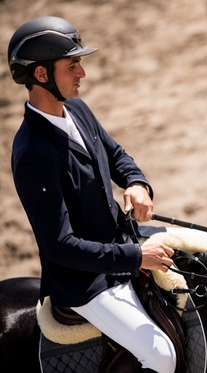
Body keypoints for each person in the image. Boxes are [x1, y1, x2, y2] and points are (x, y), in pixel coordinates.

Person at [8, 16, 176, 373]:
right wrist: (135, 257)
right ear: (41, 75)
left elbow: (115, 155)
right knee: (161, 357)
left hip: (122, 244)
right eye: (72, 65)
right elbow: (60, 246)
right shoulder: (33, 153)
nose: (82, 73)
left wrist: (136, 183)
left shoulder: (77, 110)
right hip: (86, 283)